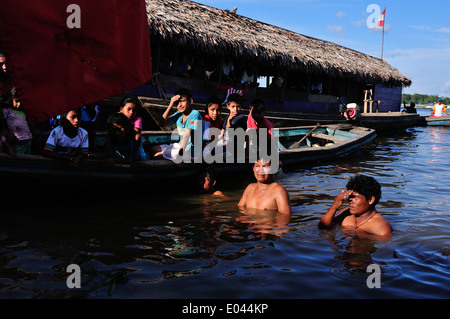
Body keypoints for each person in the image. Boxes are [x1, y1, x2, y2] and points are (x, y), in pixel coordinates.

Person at [319, 174, 392, 238]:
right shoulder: (346, 213)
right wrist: (335, 206)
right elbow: (322, 227)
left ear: (370, 200)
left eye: (355, 197)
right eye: (350, 196)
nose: (350, 200)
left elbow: (384, 250)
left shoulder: (381, 228)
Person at [150, 88, 203, 162]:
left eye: (182, 101)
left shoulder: (195, 114)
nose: (179, 105)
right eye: (177, 103)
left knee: (158, 155)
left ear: (190, 101)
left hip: (191, 152)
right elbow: (162, 124)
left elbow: (186, 135)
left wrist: (180, 156)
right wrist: (170, 104)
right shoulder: (178, 114)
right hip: (181, 146)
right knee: (154, 149)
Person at [1, 90, 33, 154]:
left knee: (28, 158)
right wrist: (6, 132)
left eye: (20, 101)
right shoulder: (6, 110)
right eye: (16, 101)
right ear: (11, 99)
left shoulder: (23, 111)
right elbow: (3, 122)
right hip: (17, 139)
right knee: (18, 157)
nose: (19, 104)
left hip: (28, 138)